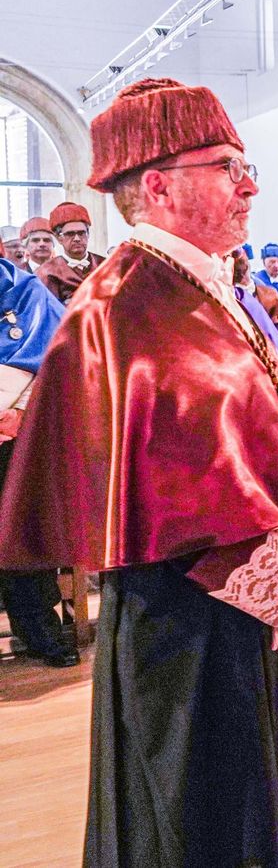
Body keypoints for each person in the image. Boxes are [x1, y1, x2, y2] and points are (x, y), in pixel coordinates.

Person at [0, 77, 278, 865]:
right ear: (160, 184)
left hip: (245, 608)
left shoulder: (200, 285)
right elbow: (163, 488)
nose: (250, 184)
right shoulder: (122, 303)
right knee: (201, 821)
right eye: (226, 165)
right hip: (187, 621)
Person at [0, 258, 74, 666]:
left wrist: (20, 411)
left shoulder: (26, 291)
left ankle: (39, 629)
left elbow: (59, 354)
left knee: (25, 529)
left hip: (19, 435)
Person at [33, 201, 106, 304]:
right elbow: (47, 310)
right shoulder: (46, 272)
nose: (77, 239)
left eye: (81, 233)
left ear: (88, 234)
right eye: (70, 234)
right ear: (59, 238)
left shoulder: (105, 265)